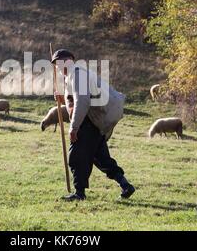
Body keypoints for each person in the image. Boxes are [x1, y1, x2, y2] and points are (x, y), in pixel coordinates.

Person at [51, 49, 135, 201]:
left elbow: (82, 102)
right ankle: (125, 185)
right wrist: (62, 99)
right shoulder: (77, 74)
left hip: (88, 122)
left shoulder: (76, 74)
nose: (57, 67)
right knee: (101, 158)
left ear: (68, 60)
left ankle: (79, 193)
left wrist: (74, 127)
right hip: (95, 121)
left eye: (59, 63)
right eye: (56, 65)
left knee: (77, 157)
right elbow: (76, 100)